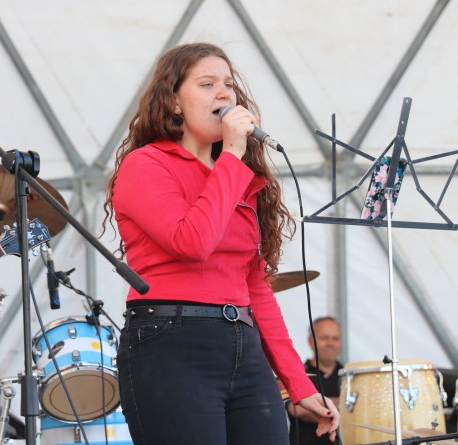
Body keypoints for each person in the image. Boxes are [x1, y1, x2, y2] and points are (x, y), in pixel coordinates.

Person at [101, 42, 339, 444]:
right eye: (207, 84)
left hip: (243, 344)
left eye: (229, 84)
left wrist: (300, 385)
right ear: (174, 102)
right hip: (171, 342)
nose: (224, 94)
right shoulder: (145, 165)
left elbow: (255, 289)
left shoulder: (237, 177)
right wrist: (231, 155)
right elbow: (191, 242)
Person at [288, 317, 344, 445]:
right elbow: (299, 410)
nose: (330, 343)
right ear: (310, 341)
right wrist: (347, 404)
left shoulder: (349, 375)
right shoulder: (297, 374)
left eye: (335, 338)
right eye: (324, 338)